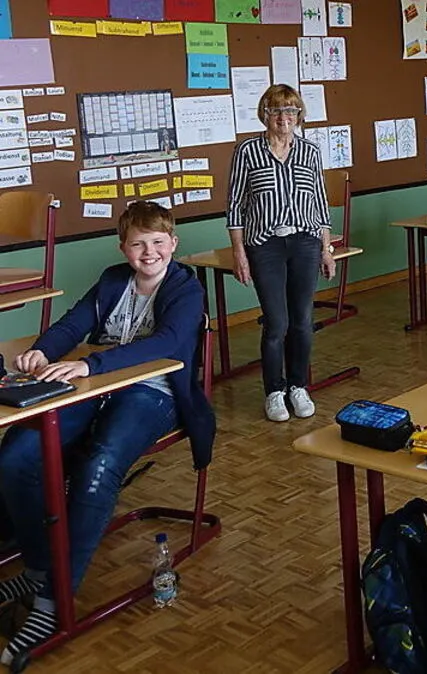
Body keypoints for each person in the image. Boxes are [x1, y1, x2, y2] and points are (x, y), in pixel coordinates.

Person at [0, 201, 215, 663]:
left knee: (99, 466)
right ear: (123, 248)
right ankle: (39, 567)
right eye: (138, 244)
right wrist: (42, 351)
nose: (149, 252)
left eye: (158, 242)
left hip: (154, 393)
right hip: (97, 383)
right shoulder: (113, 279)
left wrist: (91, 363)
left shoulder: (186, 287)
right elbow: (73, 323)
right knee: (16, 455)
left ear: (173, 244)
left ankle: (54, 601)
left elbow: (168, 343)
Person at [227, 83, 336, 422]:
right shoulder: (247, 151)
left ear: (299, 115)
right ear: (265, 114)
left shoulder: (310, 152)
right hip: (265, 245)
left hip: (305, 242)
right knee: (277, 323)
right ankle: (274, 391)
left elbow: (319, 202)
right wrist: (239, 252)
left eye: (290, 110)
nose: (284, 117)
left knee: (302, 320)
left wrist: (326, 249)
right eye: (276, 110)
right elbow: (235, 205)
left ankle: (298, 386)